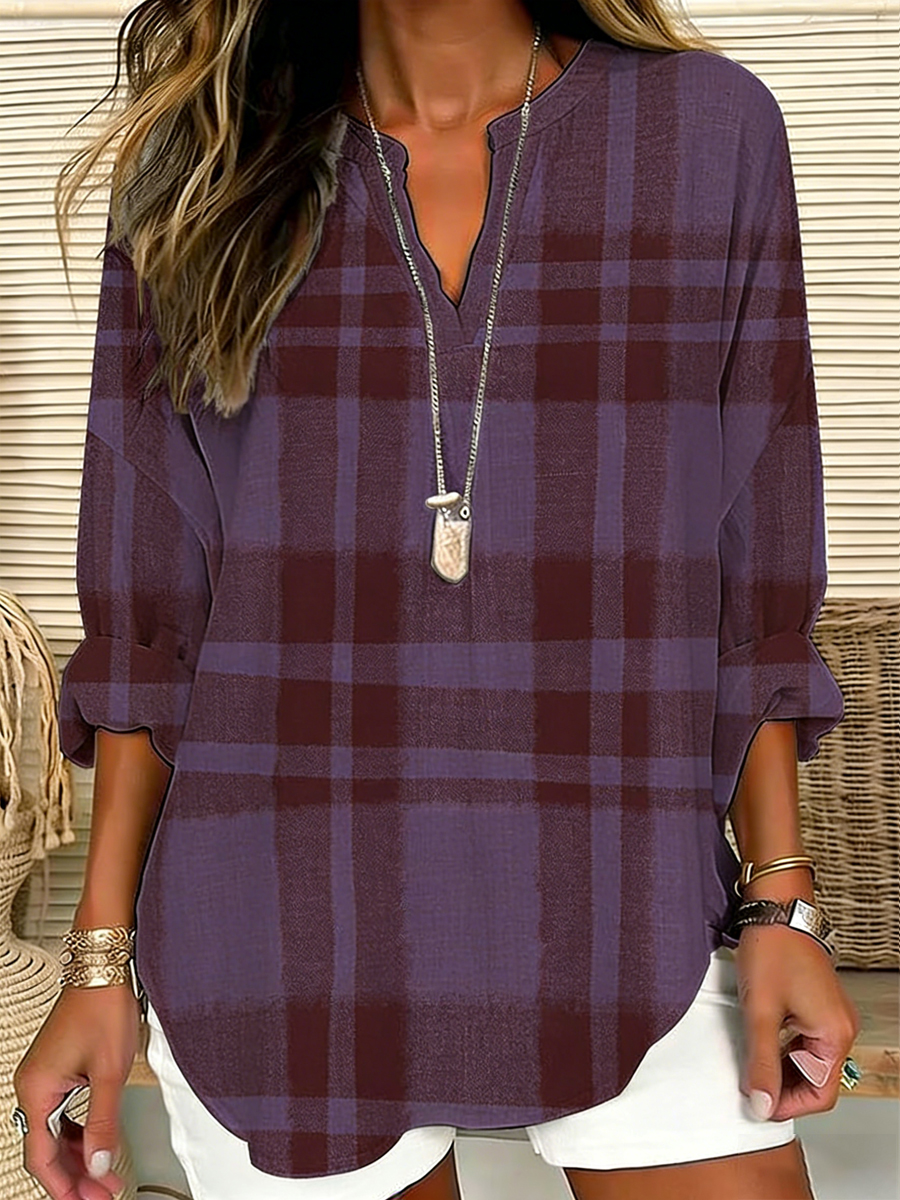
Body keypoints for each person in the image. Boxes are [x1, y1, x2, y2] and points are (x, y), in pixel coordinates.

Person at [12, 1, 861, 1198]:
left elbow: (754, 562)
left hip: (633, 892)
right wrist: (99, 962)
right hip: (276, 922)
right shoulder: (202, 165)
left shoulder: (706, 133)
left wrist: (781, 900)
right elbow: (153, 621)